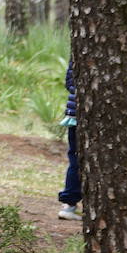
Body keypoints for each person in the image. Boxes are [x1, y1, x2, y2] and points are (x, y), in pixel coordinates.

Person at [57, 62, 82, 220]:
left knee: (76, 159)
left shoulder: (78, 49)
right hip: (91, 116)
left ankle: (69, 204)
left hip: (73, 115)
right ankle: (70, 204)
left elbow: (69, 81)